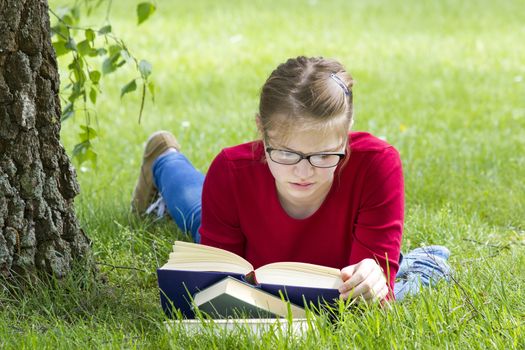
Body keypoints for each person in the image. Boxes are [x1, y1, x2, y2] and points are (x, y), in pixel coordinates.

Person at [131, 56, 451, 302]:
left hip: (330, 273)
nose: (303, 172)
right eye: (285, 153)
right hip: (249, 246)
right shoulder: (232, 171)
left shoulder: (377, 165)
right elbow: (220, 291)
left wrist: (373, 277)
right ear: (261, 130)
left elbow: (374, 299)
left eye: (325, 155)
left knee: (426, 273)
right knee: (194, 212)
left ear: (347, 130)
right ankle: (163, 160)